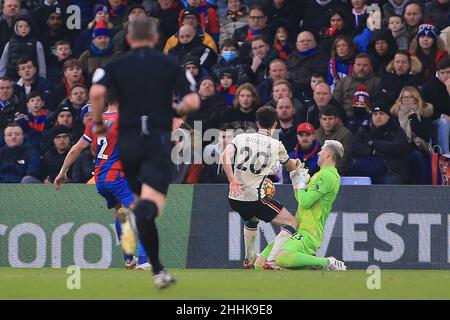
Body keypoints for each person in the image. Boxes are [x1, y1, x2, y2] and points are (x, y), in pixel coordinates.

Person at [89, 16, 200, 288]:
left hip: (127, 145)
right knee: (153, 206)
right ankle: (137, 220)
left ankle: (158, 270)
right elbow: (192, 100)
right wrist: (175, 110)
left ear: (128, 38)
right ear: (154, 38)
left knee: (141, 204)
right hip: (156, 142)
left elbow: (95, 92)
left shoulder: (114, 65)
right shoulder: (170, 64)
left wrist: (99, 122)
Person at [54, 94, 150, 271]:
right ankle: (144, 260)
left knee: (122, 213)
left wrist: (62, 172)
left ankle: (129, 259)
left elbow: (76, 149)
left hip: (101, 179)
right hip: (118, 176)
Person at [221, 106, 301, 269]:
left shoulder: (240, 137)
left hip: (234, 197)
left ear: (257, 124)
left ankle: (249, 258)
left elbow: (224, 156)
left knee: (252, 217)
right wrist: (297, 164)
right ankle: (271, 260)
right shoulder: (276, 145)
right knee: (292, 222)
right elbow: (291, 168)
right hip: (254, 199)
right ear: (275, 125)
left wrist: (232, 180)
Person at [254, 139, 347, 271]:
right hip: (297, 228)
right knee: (259, 264)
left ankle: (328, 262)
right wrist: (296, 179)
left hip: (309, 231)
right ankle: (306, 267)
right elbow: (301, 200)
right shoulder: (320, 175)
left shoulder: (328, 176)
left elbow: (305, 201)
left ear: (327, 154)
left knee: (281, 259)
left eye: (321, 151)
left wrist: (302, 184)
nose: (318, 153)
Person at [315, 106, 354, 175]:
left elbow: (344, 159)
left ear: (336, 120)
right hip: (317, 172)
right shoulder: (315, 134)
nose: (327, 122)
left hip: (338, 173)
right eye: (324, 119)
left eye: (330, 119)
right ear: (320, 120)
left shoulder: (345, 134)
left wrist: (329, 173)